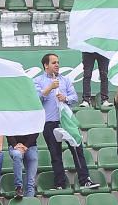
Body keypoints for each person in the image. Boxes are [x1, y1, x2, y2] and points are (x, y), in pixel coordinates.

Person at [36, 53, 96, 190]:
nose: (57, 65)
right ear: (46, 65)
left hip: (66, 122)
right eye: (53, 63)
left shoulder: (65, 80)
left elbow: (74, 98)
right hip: (50, 122)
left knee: (77, 149)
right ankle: (60, 183)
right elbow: (37, 99)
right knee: (55, 154)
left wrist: (66, 98)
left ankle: (85, 180)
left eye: (58, 62)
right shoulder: (38, 81)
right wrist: (49, 88)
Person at [79, 0, 112, 110]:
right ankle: (86, 99)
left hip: (103, 46)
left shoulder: (108, 13)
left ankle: (105, 98)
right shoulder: (88, 9)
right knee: (87, 74)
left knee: (104, 74)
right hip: (88, 46)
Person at [6, 132, 38, 199]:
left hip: (31, 146)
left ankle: (29, 203)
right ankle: (18, 187)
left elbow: (36, 131)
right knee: (17, 155)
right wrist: (15, 145)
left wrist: (26, 146)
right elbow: (8, 131)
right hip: (14, 146)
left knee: (31, 183)